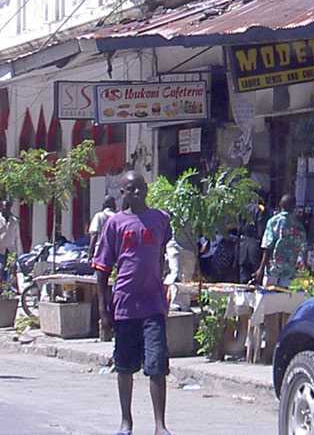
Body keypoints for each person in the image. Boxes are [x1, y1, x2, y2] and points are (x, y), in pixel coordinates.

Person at [91, 171, 174, 435]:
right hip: (125, 305)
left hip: (153, 305)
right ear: (122, 193)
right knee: (125, 366)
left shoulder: (160, 220)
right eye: (130, 189)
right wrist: (104, 311)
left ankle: (160, 425)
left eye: (140, 188)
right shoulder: (114, 224)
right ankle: (126, 422)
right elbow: (102, 270)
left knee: (157, 365)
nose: (136, 193)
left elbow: (163, 251)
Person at [255, 194, 306, 289]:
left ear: (280, 205)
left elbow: (268, 246)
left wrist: (261, 269)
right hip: (290, 271)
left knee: (268, 299)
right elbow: (302, 249)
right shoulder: (299, 226)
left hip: (273, 269)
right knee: (285, 300)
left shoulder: (273, 222)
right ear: (294, 207)